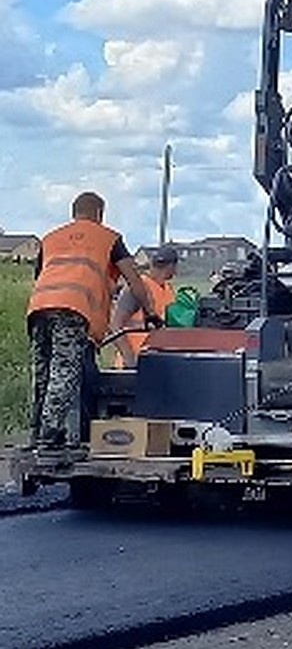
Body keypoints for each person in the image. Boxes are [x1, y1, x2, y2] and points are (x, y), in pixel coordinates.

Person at [27, 192, 159, 465]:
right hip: (73, 308)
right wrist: (150, 313)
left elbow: (40, 275)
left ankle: (36, 435)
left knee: (42, 371)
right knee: (65, 372)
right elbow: (134, 280)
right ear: (99, 213)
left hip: (39, 306)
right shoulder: (108, 238)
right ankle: (51, 441)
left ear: (74, 212)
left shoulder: (50, 237)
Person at [111, 245, 179, 368]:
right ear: (171, 267)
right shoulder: (138, 288)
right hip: (136, 362)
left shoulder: (168, 289)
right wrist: (129, 360)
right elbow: (116, 325)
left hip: (156, 361)